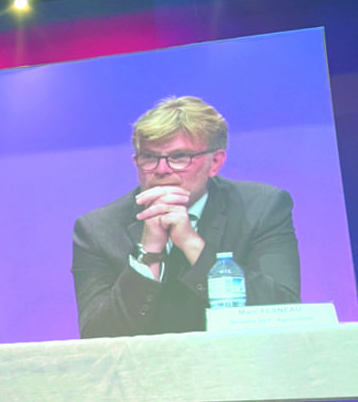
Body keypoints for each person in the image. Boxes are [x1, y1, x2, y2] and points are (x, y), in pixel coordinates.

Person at [72, 96, 301, 338]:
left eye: (179, 157)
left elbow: (283, 311)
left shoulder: (262, 208)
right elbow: (97, 337)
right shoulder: (97, 230)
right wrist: (150, 253)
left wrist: (191, 243)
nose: (161, 170)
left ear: (215, 162)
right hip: (145, 372)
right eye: (149, 157)